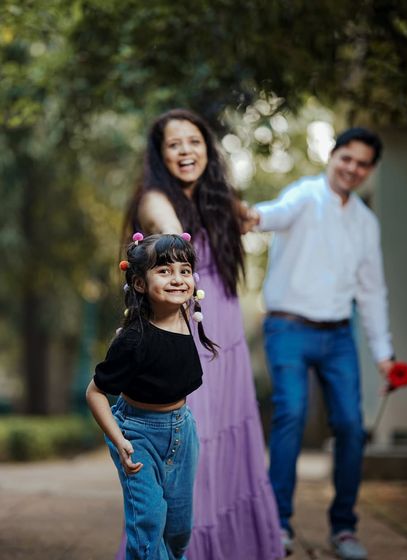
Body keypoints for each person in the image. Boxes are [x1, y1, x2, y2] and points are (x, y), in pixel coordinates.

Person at [119, 109, 284, 560]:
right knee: (198, 439)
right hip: (188, 324)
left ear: (208, 148)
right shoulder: (155, 198)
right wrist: (174, 245)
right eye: (174, 145)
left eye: (193, 141)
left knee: (232, 435)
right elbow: (169, 234)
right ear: (161, 155)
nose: (186, 151)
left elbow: (254, 218)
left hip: (225, 325)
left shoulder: (218, 197)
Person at [251, 127, 395, 560]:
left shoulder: (367, 224)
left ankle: (345, 528)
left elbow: (372, 292)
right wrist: (249, 216)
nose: (352, 168)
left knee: (352, 425)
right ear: (333, 156)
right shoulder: (304, 195)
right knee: (291, 413)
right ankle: (277, 523)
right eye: (346, 158)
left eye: (363, 163)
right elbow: (272, 214)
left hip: (337, 336)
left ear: (370, 170)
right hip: (287, 328)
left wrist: (384, 354)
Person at [86, 233, 218, 560]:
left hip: (181, 433)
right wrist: (120, 441)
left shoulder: (187, 317)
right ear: (140, 284)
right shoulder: (133, 340)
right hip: (136, 434)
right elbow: (95, 392)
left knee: (178, 530)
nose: (177, 279)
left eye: (184, 271)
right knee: (148, 523)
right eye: (164, 271)